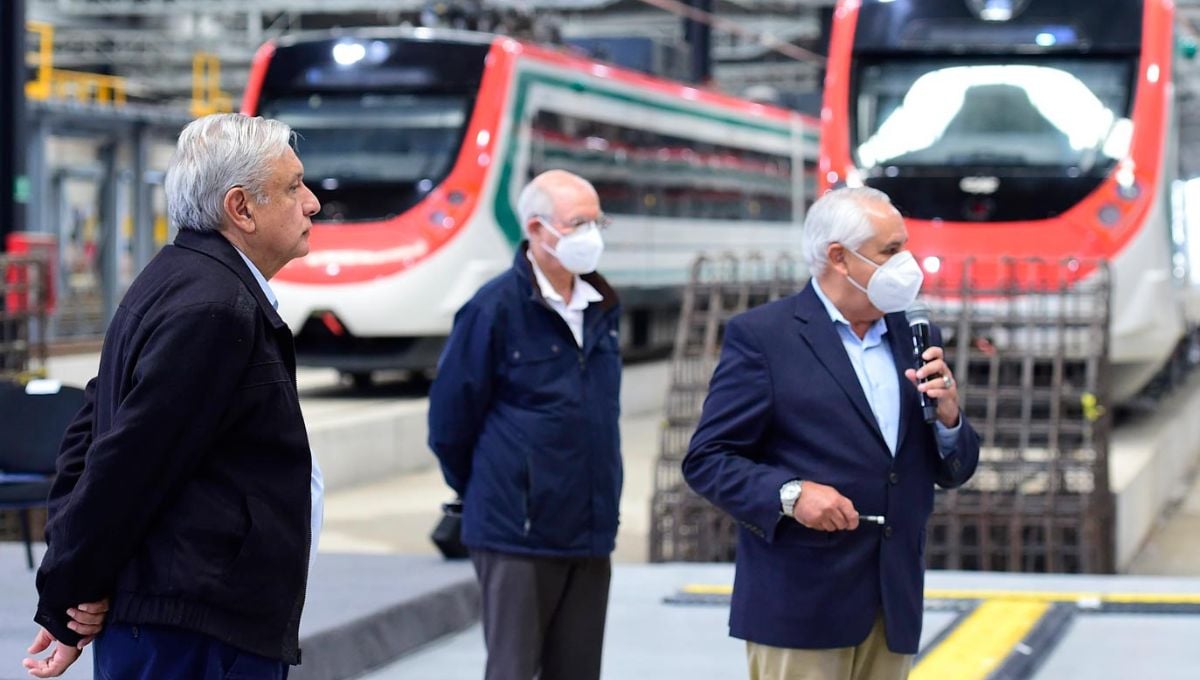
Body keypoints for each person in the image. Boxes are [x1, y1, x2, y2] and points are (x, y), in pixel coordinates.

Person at [23, 112, 323, 679]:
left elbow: (88, 432)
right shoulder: (216, 308)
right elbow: (127, 461)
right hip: (198, 630)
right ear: (241, 208)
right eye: (293, 187)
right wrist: (69, 592)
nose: (311, 203)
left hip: (178, 617)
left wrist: (72, 579)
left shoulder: (174, 278)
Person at [682, 187, 980, 680]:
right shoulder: (765, 337)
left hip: (893, 602)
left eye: (905, 246)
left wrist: (950, 419)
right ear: (839, 258)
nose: (907, 263)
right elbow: (708, 459)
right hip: (802, 606)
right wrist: (790, 494)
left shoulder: (914, 335)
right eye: (891, 251)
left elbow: (951, 469)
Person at [428, 169, 622, 680]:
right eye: (580, 223)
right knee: (514, 670)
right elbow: (449, 424)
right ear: (536, 229)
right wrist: (501, 490)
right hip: (516, 534)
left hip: (589, 530)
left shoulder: (603, 308)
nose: (593, 235)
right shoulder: (492, 310)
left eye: (598, 222)